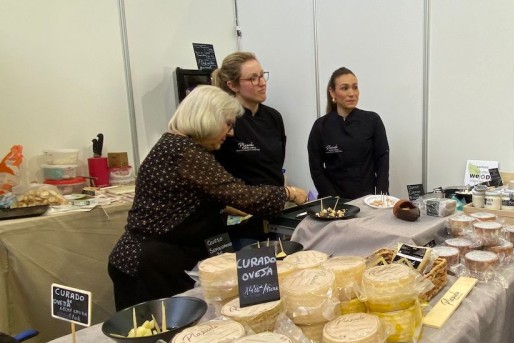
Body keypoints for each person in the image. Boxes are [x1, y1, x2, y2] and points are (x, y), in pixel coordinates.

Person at [108, 85, 306, 311]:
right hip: (150, 266)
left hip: (149, 261)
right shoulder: (186, 153)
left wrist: (225, 207)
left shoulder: (173, 145)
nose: (230, 133)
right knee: (158, 339)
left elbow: (184, 199)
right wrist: (287, 193)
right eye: (228, 124)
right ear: (208, 118)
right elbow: (243, 196)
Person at [212, 52, 301, 248]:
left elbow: (276, 165)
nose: (262, 82)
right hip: (241, 224)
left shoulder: (273, 118)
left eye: (262, 75)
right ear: (232, 85)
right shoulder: (225, 121)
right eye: (253, 78)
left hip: (274, 217)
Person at [307, 67, 390, 199]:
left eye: (355, 87)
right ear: (332, 93)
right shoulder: (321, 126)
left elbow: (382, 160)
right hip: (335, 203)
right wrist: (332, 198)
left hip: (367, 200)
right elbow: (316, 169)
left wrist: (381, 195)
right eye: (345, 88)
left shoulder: (372, 120)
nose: (352, 93)